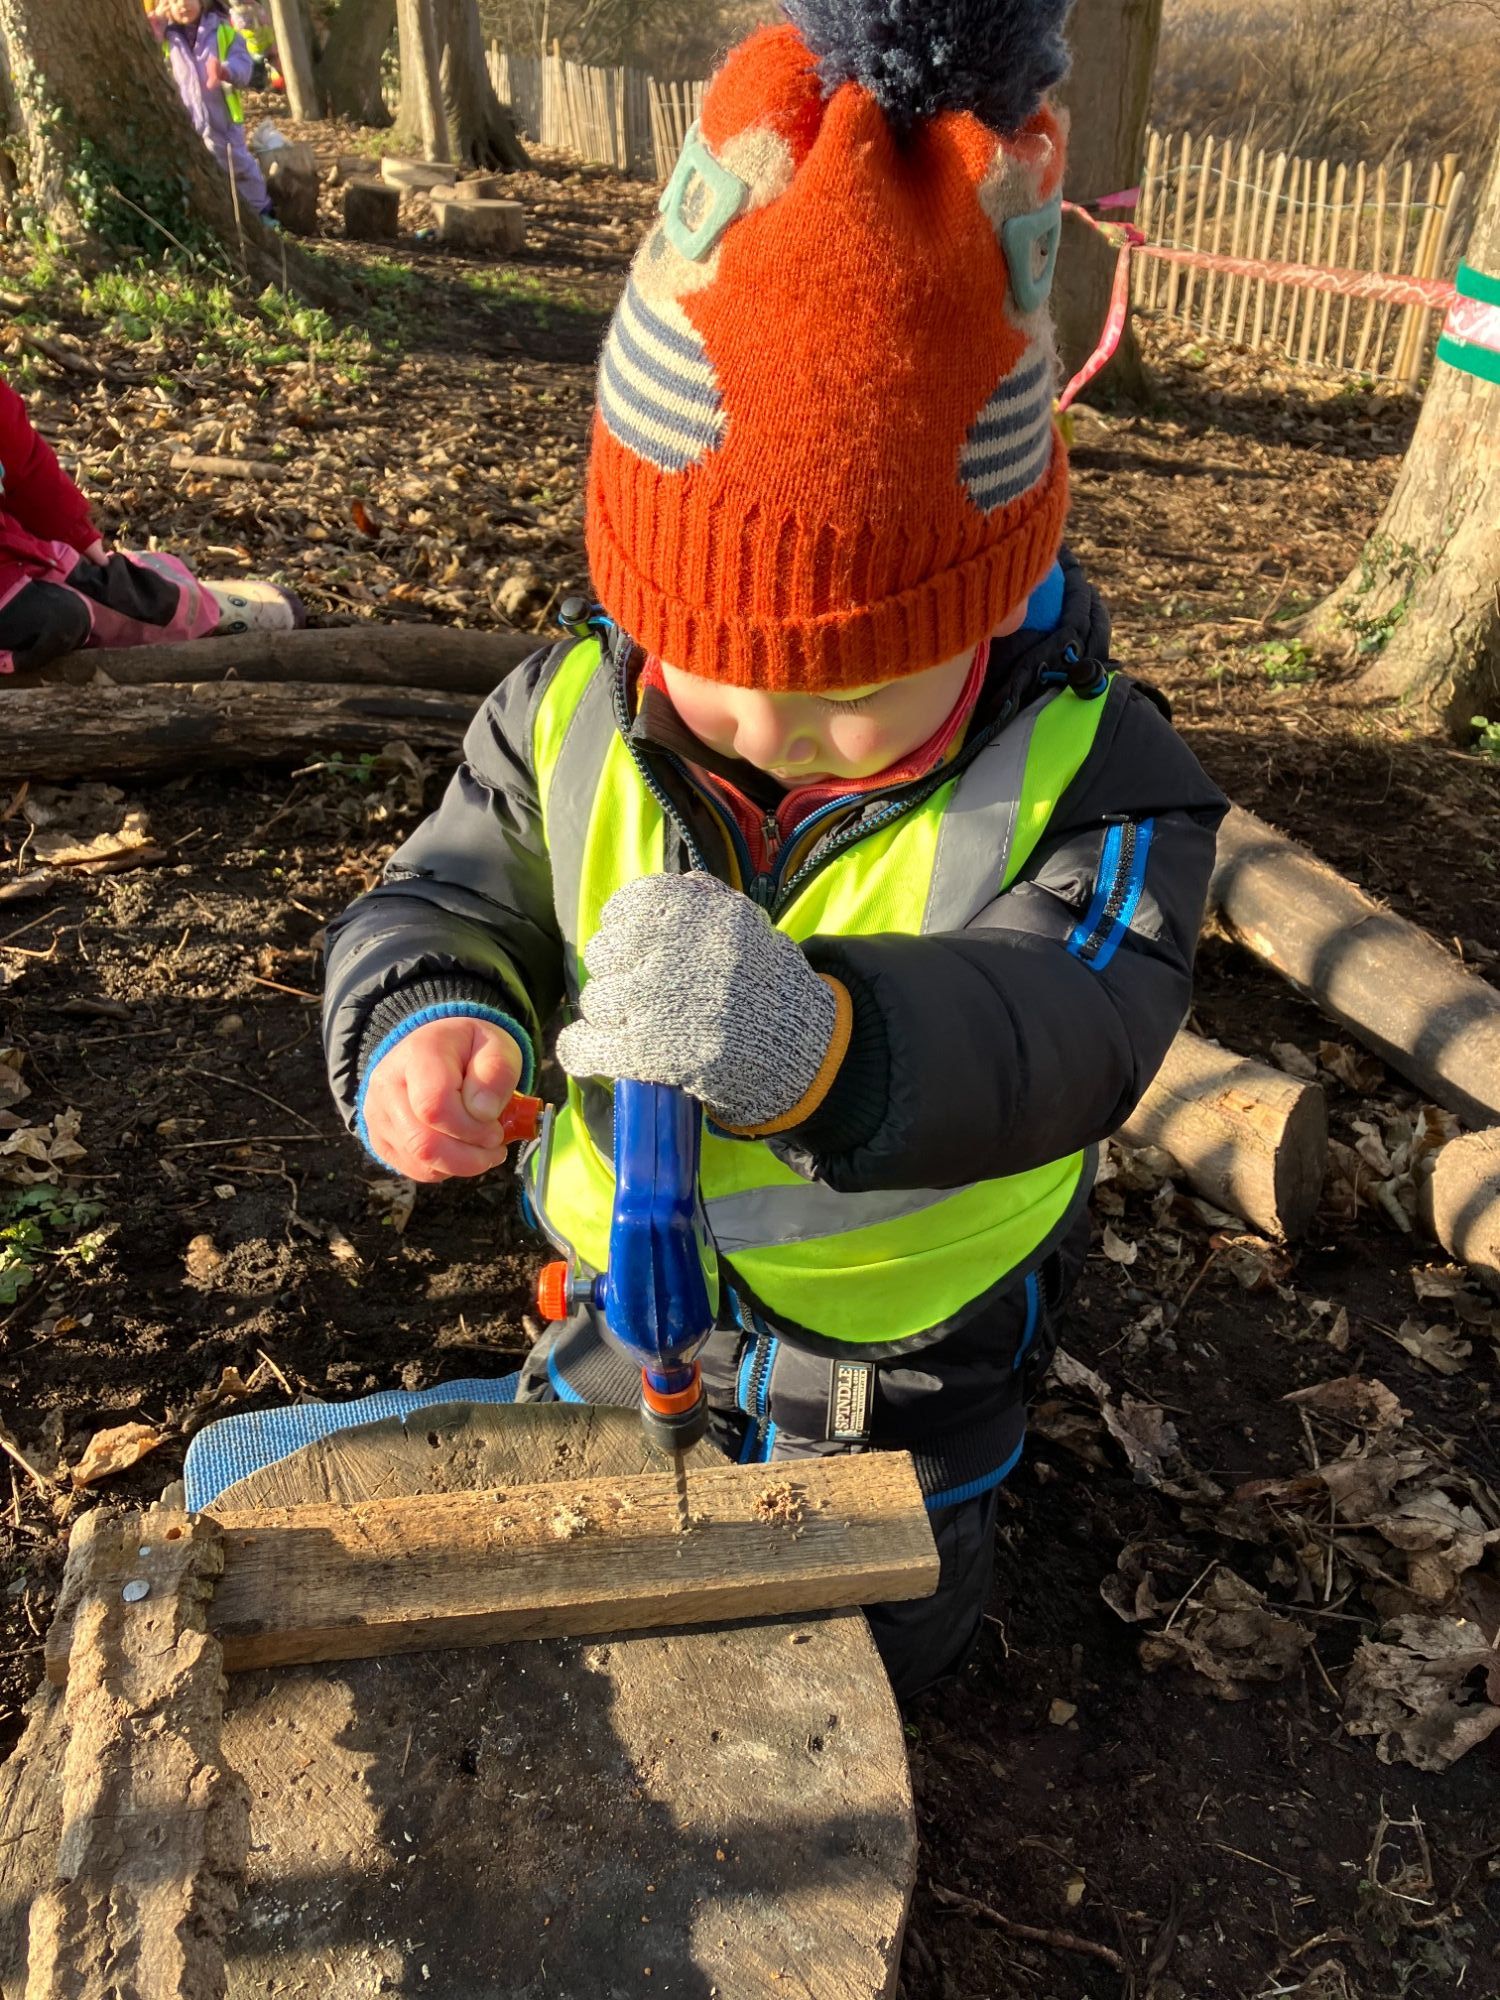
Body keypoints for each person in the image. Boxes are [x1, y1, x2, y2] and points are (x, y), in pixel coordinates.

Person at [322, 0, 1229, 1701]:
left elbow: (1075, 1030)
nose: (781, 731)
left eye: (858, 694)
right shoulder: (571, 708)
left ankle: (898, 1662)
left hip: (906, 1352)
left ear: (984, 609)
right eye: (725, 680)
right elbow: (452, 892)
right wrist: (432, 1020)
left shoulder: (1100, 775)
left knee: (873, 1627)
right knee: (596, 1577)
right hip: (612, 1291)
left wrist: (814, 1044)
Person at [1, 373, 300, 675]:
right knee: (61, 617)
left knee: (106, 586)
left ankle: (196, 606)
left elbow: (25, 462)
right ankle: (188, 613)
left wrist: (73, 529)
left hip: (16, 555)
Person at [149, 0, 272, 220]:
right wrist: (155, 28)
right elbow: (148, 58)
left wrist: (225, 71)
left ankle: (261, 211)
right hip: (188, 119)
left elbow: (243, 63)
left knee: (238, 165)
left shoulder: (222, 30)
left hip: (222, 118)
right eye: (175, 0)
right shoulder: (168, 37)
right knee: (196, 168)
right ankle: (216, 215)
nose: (183, 5)